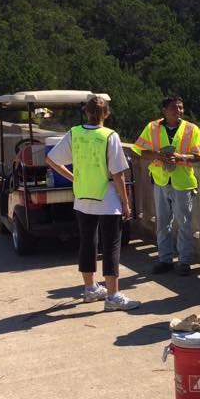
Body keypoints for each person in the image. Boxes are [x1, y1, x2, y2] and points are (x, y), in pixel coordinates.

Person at [45, 95, 141, 312]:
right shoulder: (110, 136)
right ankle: (113, 296)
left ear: (86, 112)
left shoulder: (74, 133)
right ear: (106, 114)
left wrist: (73, 178)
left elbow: (51, 159)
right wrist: (125, 202)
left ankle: (90, 288)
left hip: (82, 196)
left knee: (88, 242)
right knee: (111, 245)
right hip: (107, 197)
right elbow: (118, 173)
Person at [131, 96, 200, 276]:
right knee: (163, 223)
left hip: (182, 182)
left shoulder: (192, 129)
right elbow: (140, 150)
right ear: (164, 110)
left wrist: (181, 157)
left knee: (184, 223)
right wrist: (158, 155)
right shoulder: (152, 127)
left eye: (181, 108)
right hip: (160, 180)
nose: (178, 111)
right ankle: (165, 260)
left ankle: (184, 262)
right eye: (174, 108)